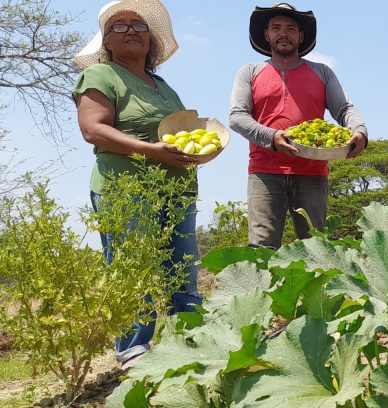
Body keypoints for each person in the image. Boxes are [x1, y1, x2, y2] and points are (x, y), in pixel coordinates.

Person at [72, 0, 201, 369]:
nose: (131, 29)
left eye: (139, 25)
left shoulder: (163, 86)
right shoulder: (101, 76)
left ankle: (192, 340)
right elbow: (93, 129)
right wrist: (151, 151)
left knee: (183, 267)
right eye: (119, 25)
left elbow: (180, 131)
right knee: (133, 267)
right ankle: (133, 350)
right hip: (126, 189)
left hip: (175, 189)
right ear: (106, 41)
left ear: (151, 39)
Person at [229, 2, 368, 249]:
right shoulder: (249, 72)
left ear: (301, 36)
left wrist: (360, 130)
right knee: (261, 247)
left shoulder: (322, 72)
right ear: (266, 34)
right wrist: (272, 137)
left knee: (315, 248)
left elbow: (344, 109)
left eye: (291, 28)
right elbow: (237, 117)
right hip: (265, 172)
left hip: (312, 172)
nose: (283, 33)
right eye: (276, 28)